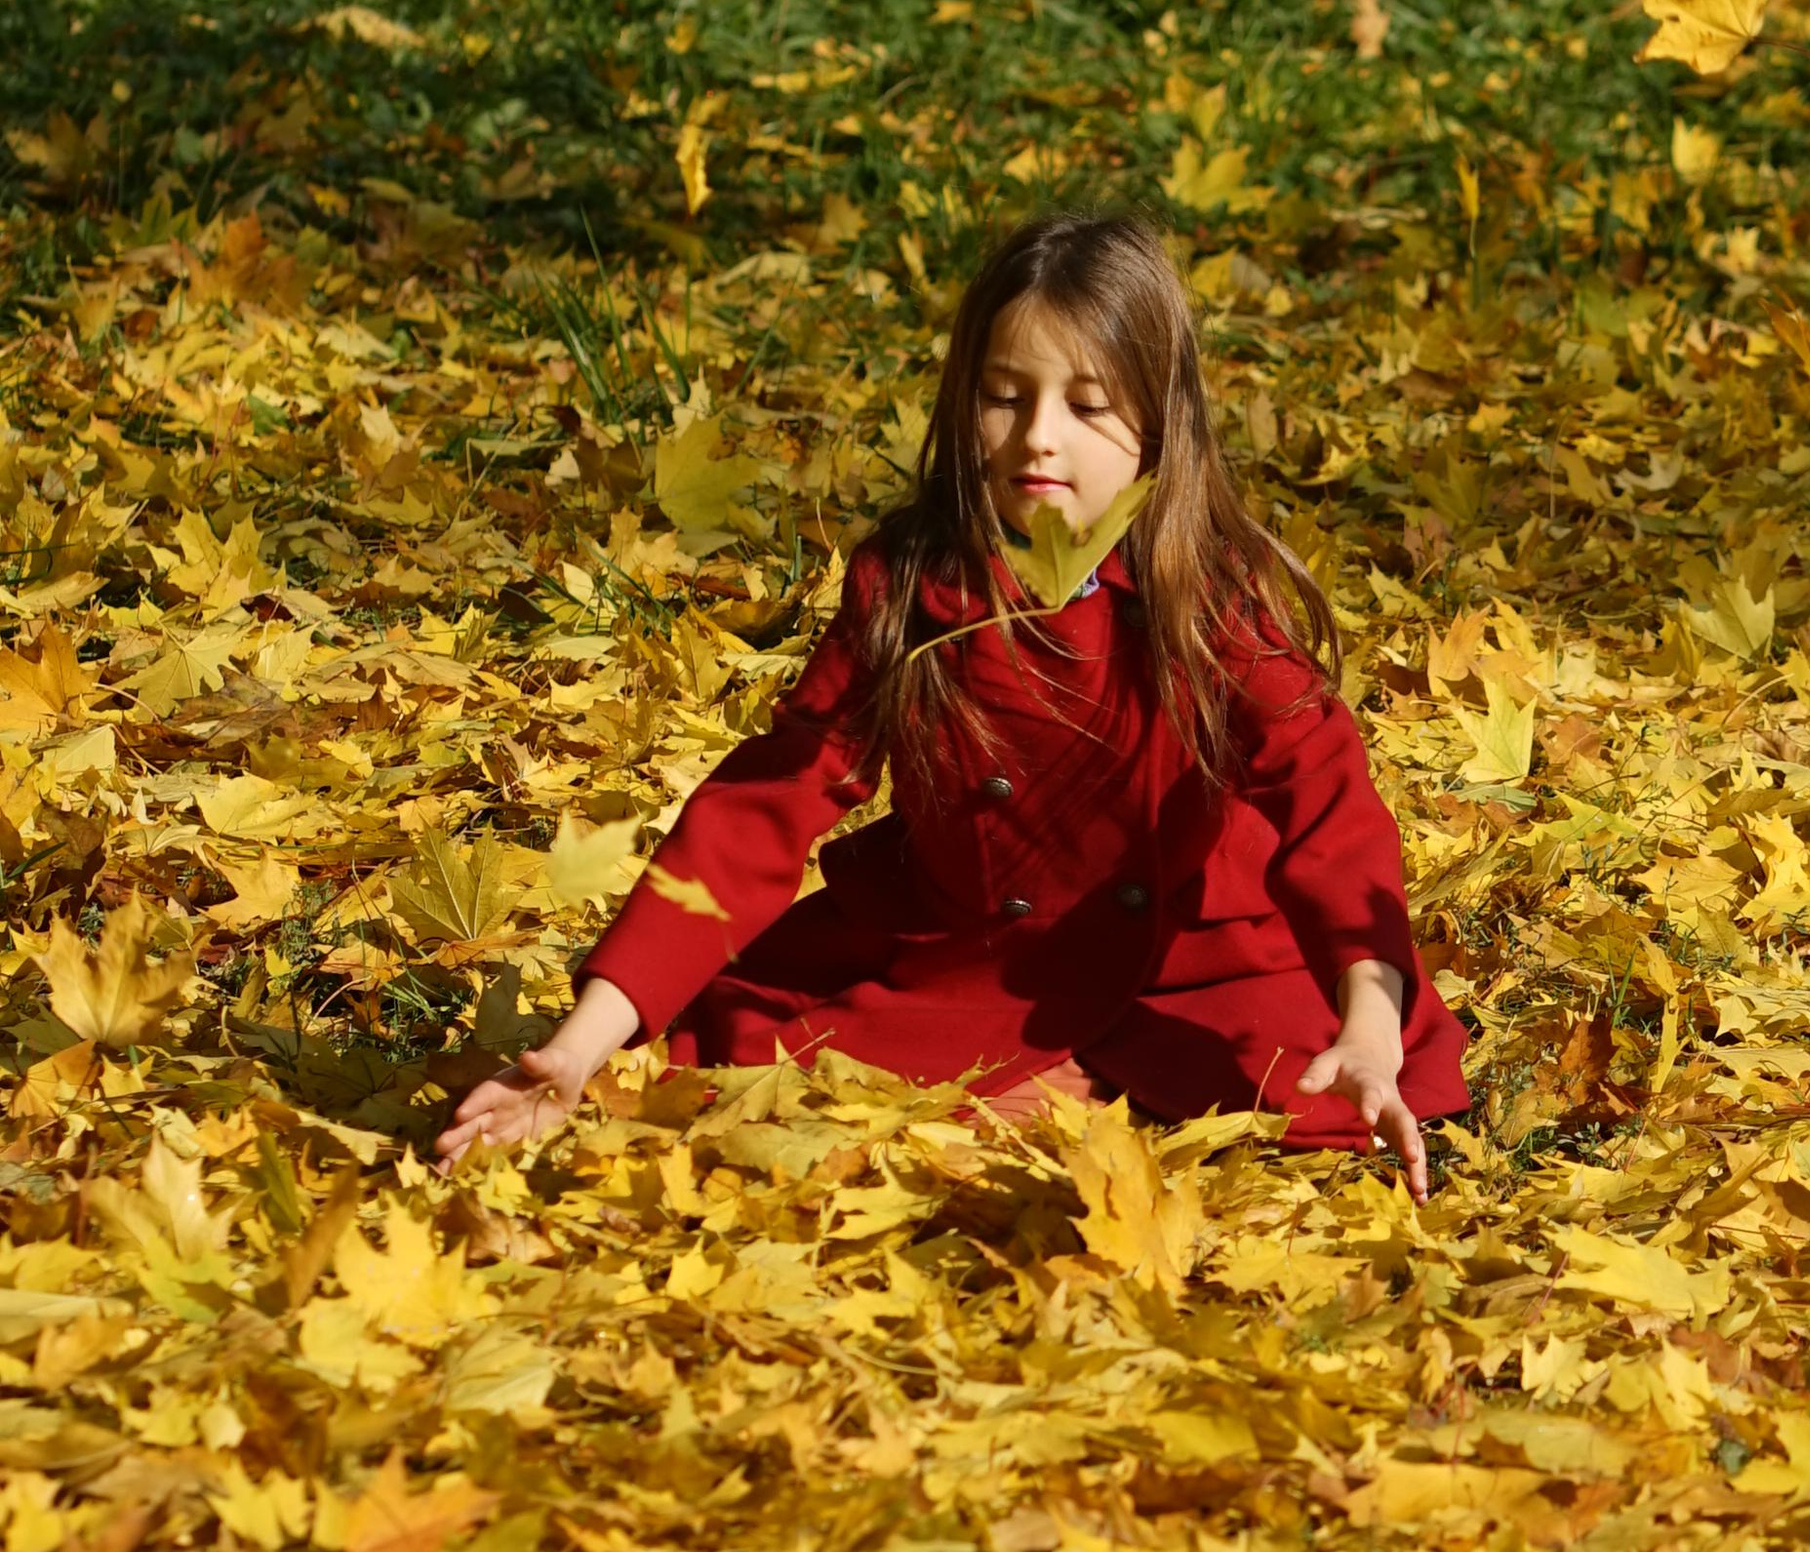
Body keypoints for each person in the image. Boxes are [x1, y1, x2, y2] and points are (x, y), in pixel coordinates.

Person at [437, 210, 1466, 1198]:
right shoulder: (912, 585)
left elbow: (1328, 809)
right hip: (972, 965)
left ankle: (1090, 1085)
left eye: (1088, 406)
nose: (1038, 439)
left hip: (1194, 965)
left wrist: (1369, 1022)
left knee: (1298, 1088)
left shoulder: (1207, 592)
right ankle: (1048, 1087)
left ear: (1159, 423)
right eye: (1004, 396)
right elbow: (765, 809)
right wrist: (580, 1046)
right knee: (732, 1064)